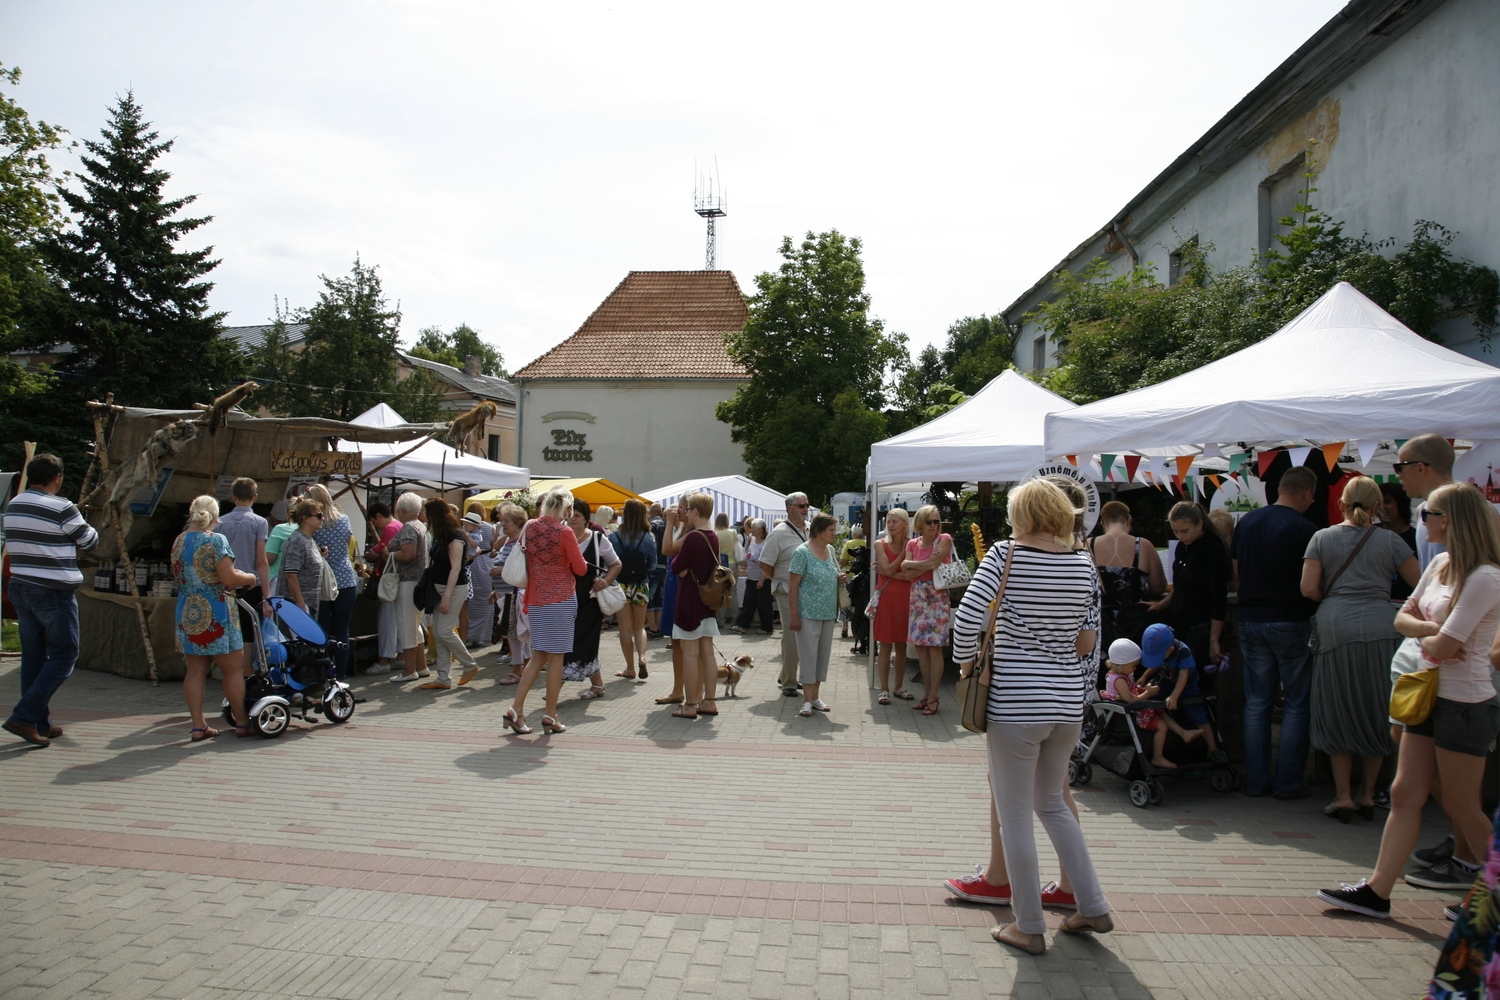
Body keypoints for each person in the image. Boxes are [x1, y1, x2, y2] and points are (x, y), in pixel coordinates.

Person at [1319, 482, 1500, 918]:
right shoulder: (1439, 564)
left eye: (1427, 513)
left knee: (1460, 804)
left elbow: (1443, 644)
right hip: (1428, 694)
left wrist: (1429, 636)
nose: (1421, 519)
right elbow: (1402, 618)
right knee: (1404, 793)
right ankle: (1378, 891)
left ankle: (1492, 894)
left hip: (1464, 702)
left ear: (1450, 519)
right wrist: (1428, 633)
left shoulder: (1485, 577)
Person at [951, 478, 1111, 953]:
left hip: (1017, 701)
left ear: (1021, 513)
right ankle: (1093, 906)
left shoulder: (1006, 555)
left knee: (1016, 812)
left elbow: (968, 618)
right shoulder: (1083, 562)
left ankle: (1028, 925)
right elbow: (1085, 641)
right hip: (1065, 703)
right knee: (1055, 805)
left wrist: (965, 662)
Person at [1302, 475, 1421, 822]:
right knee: (1376, 707)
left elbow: (1308, 588)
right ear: (1376, 507)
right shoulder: (1391, 541)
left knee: (1337, 707)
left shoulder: (1321, 538)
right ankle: (1368, 794)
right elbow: (1421, 583)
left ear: (1341, 503)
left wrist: (1336, 598)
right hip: (1382, 629)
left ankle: (1342, 797)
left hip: (1335, 626)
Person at [1229, 466, 1319, 799]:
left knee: (1256, 704)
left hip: (1251, 620)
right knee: (1296, 704)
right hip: (1291, 620)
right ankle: (1288, 783)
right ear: (1307, 493)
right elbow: (1313, 581)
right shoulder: (1307, 529)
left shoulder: (1247, 523)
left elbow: (1236, 572)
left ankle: (1255, 781)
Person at [2, 453, 100, 748]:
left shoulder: (14, 504)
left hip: (20, 587)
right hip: (53, 590)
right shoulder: (63, 507)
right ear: (57, 478)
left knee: (33, 657)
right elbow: (90, 541)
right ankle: (24, 716)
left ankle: (38, 721)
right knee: (65, 654)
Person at [170, 496, 257, 740]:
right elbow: (228, 578)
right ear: (215, 516)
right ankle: (241, 722)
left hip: (189, 611)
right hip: (217, 612)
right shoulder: (216, 540)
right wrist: (249, 578)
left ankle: (198, 725)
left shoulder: (179, 541)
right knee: (232, 671)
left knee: (195, 672)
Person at [504, 489, 587, 735]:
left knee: (538, 655)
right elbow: (581, 569)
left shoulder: (530, 526)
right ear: (567, 508)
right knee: (556, 658)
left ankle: (516, 709)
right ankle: (550, 714)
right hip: (560, 599)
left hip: (536, 599)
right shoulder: (565, 532)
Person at [1152, 501, 1230, 668]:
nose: (1180, 536)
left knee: (1194, 675)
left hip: (1201, 625)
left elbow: (1218, 597)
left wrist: (1214, 640)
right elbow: (1180, 585)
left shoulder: (1212, 549)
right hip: (1181, 623)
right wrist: (1162, 605)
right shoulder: (1183, 547)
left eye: (1185, 531)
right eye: (1175, 531)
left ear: (1200, 524)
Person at [561, 499, 622, 699]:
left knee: (579, 642)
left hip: (589, 601)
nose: (572, 519)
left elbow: (616, 564)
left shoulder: (597, 539)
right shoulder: (560, 536)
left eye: (577, 516)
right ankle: (597, 685)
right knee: (576, 642)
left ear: (587, 519)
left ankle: (555, 686)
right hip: (563, 599)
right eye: (569, 515)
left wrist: (606, 580)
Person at [1088, 501, 1166, 657]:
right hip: (1136, 627)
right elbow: (1159, 587)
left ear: (1103, 523)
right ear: (1129, 520)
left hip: (1101, 627)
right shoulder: (1143, 545)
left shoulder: (1088, 545)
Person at [418, 499, 480, 691]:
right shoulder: (442, 535)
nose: (424, 517)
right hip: (440, 588)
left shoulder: (455, 536)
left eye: (426, 513)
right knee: (438, 632)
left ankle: (469, 664)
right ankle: (444, 678)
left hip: (452, 589)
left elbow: (456, 569)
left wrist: (446, 597)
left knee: (444, 631)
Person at [670, 493, 722, 720]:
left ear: (696, 511)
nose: (686, 512)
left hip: (690, 598)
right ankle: (709, 701)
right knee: (708, 653)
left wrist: (683, 567)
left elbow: (675, 565)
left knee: (689, 654)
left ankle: (690, 704)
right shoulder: (714, 536)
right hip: (707, 601)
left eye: (689, 509)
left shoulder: (693, 538)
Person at [1139, 623, 1224, 760]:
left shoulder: (1182, 652)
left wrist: (1174, 696)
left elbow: (1183, 677)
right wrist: (1144, 677)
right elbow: (1155, 665)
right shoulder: (1163, 651)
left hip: (1186, 687)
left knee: (1198, 715)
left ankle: (1213, 748)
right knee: (1151, 702)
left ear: (1171, 649)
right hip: (1166, 682)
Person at [789, 513, 844, 718]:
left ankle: (815, 697)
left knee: (822, 656)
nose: (835, 534)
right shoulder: (802, 552)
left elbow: (830, 572)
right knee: (809, 656)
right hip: (807, 613)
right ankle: (806, 700)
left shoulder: (829, 550)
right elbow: (792, 586)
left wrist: (839, 578)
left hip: (828, 612)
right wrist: (794, 616)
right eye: (831, 530)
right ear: (819, 530)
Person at [903, 505, 954, 717]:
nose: (934, 525)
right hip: (917, 596)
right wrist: (922, 565)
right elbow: (906, 575)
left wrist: (912, 564)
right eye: (930, 521)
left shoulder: (944, 538)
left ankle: (933, 695)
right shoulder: (912, 543)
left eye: (936, 521)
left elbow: (933, 563)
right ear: (920, 524)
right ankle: (926, 694)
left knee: (935, 648)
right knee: (921, 648)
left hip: (937, 595)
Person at [760, 493, 811, 697]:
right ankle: (790, 682)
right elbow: (764, 562)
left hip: (807, 591)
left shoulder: (810, 529)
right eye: (801, 506)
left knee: (804, 635)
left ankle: (786, 674)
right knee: (792, 635)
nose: (806, 509)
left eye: (807, 505)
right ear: (789, 508)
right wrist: (779, 580)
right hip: (787, 590)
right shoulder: (778, 533)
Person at [306, 484, 357, 681]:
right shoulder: (343, 519)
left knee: (322, 630)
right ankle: (340, 675)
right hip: (345, 578)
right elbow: (347, 545)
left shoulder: (313, 524)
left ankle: (322, 673)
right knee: (342, 630)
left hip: (322, 580)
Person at [218, 477, 271, 647]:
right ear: (255, 497)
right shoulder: (260, 522)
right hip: (250, 587)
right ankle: (246, 672)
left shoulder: (219, 523)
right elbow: (261, 561)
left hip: (224, 584)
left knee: (227, 632)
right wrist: (267, 595)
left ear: (233, 497)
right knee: (248, 634)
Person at [610, 498, 657, 680]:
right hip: (641, 583)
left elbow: (609, 562)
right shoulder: (648, 537)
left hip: (620, 585)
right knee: (639, 627)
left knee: (624, 629)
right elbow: (652, 564)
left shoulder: (613, 537)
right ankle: (643, 658)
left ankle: (629, 668)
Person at [387, 493, 430, 683]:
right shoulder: (422, 527)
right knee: (415, 626)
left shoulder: (408, 528)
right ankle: (421, 667)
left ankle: (409, 670)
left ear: (403, 510)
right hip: (419, 581)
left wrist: (388, 555)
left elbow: (408, 554)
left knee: (406, 626)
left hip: (408, 582)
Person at [1398, 433, 1457, 571]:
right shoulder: (1422, 510)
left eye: (1400, 467)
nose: (1398, 475)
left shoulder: (1476, 509)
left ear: (1420, 468)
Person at [873, 509, 914, 705]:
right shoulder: (880, 544)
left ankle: (898, 687)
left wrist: (889, 571)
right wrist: (903, 555)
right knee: (885, 646)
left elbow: (909, 576)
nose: (890, 525)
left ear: (905, 524)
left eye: (895, 521)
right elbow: (889, 569)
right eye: (888, 521)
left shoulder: (914, 545)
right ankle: (883, 688)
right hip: (887, 599)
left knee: (902, 646)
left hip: (906, 599)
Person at [490, 503, 529, 685]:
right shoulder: (508, 541)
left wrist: (500, 569)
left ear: (517, 524)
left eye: (507, 521)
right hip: (504, 594)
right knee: (513, 632)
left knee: (517, 633)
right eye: (502, 520)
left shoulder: (521, 543)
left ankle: (520, 669)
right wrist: (495, 590)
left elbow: (521, 567)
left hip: (514, 593)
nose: (502, 523)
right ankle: (522, 668)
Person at [277, 497, 325, 619]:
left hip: (308, 605)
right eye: (319, 515)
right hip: (297, 608)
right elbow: (290, 575)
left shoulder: (308, 539)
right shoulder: (297, 541)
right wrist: (300, 605)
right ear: (306, 519)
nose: (322, 518)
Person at [731, 518, 773, 635]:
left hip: (762, 579)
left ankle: (767, 627)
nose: (751, 529)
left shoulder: (767, 543)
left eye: (753, 527)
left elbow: (768, 563)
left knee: (764, 604)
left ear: (760, 530)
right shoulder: (752, 540)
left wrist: (761, 580)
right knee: (748, 602)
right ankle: (742, 625)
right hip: (751, 577)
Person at [1379, 481, 1420, 601]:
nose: (1382, 507)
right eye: (1378, 503)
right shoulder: (1369, 533)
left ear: (1402, 503)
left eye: (1387, 502)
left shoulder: (1417, 538)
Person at [463, 504, 496, 651]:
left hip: (471, 561)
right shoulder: (490, 528)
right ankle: (481, 635)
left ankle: (468, 635)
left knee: (470, 600)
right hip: (486, 562)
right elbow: (494, 547)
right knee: (485, 601)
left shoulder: (465, 528)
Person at [839, 525, 867, 639]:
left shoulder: (849, 544)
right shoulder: (867, 543)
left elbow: (843, 561)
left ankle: (845, 626)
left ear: (853, 533)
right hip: (863, 578)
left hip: (850, 577)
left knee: (845, 601)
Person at [646, 503, 668, 638]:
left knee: (649, 598)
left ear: (651, 513)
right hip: (664, 565)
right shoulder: (667, 525)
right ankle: (659, 626)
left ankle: (653, 628)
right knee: (659, 598)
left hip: (653, 565)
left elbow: (651, 546)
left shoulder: (651, 526)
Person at [714, 512, 740, 625]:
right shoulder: (733, 532)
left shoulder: (715, 534)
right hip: (733, 563)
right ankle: (735, 619)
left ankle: (720, 620)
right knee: (733, 592)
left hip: (720, 566)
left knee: (720, 593)